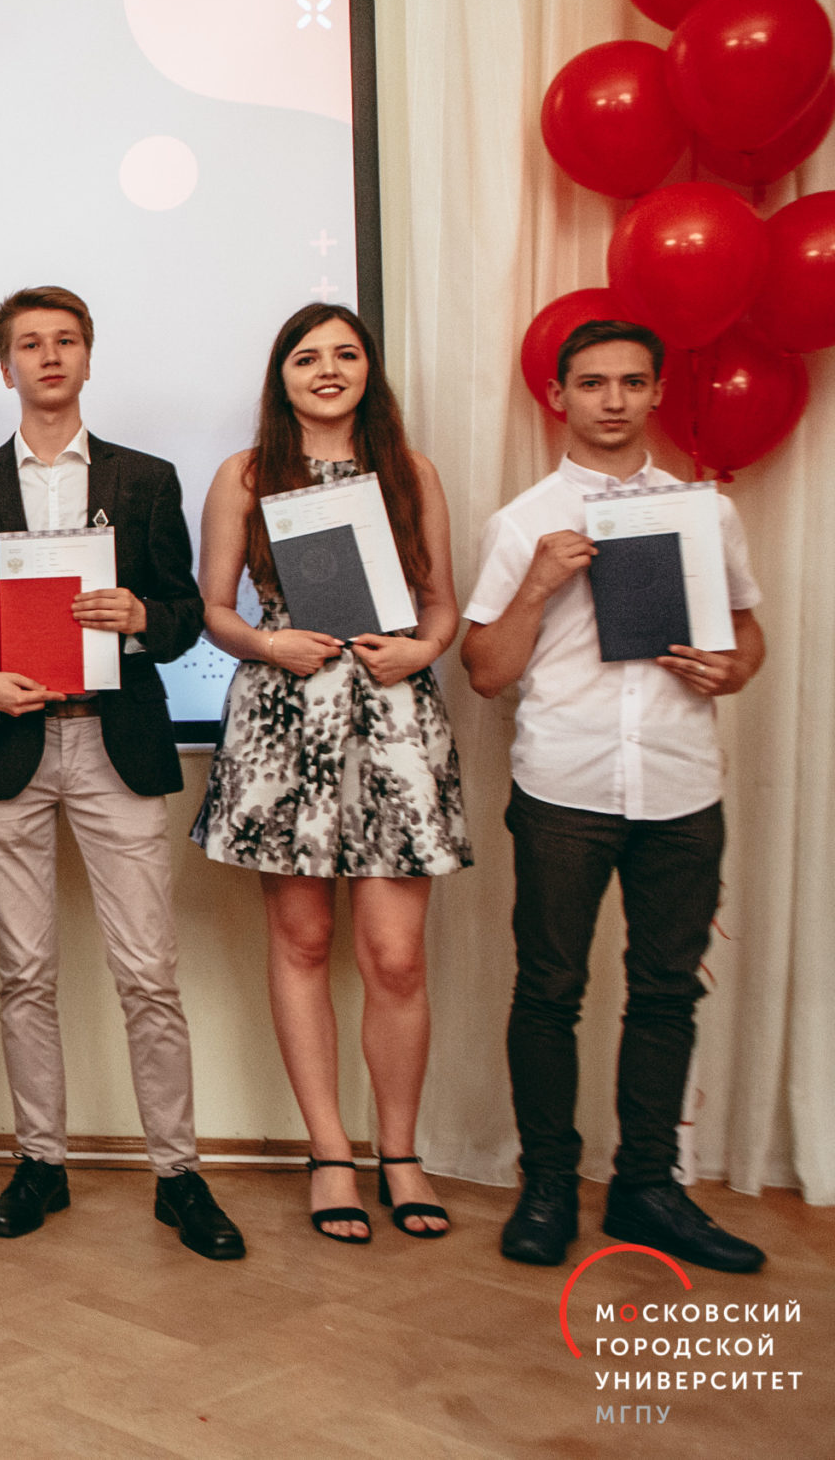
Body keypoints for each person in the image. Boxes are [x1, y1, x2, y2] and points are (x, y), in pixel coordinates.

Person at [0, 285, 245, 1261]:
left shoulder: (145, 480)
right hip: (11, 747)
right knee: (23, 973)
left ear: (88, 358)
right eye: (30, 343)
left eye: (66, 340)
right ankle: (40, 1162)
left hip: (117, 743)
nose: (50, 356)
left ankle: (178, 1174)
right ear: (6, 366)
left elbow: (184, 614)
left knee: (148, 972)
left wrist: (143, 617)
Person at [463, 318, 768, 1275]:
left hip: (681, 782)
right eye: (592, 382)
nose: (613, 399)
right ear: (559, 396)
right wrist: (538, 585)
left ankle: (646, 1188)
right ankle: (548, 1183)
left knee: (667, 991)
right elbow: (484, 670)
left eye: (633, 381)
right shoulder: (523, 521)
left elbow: (747, 635)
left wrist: (733, 668)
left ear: (657, 393)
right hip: (565, 784)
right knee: (549, 988)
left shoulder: (705, 513)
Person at [190, 303, 470, 1244]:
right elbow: (214, 609)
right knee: (303, 940)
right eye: (307, 357)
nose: (328, 369)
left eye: (346, 354)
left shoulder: (411, 471)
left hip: (392, 718)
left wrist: (420, 649)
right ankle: (330, 1153)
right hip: (284, 717)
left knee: (395, 955)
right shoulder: (244, 474)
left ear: (368, 371)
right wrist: (270, 642)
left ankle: (402, 1152)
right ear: (282, 376)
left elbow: (442, 606)